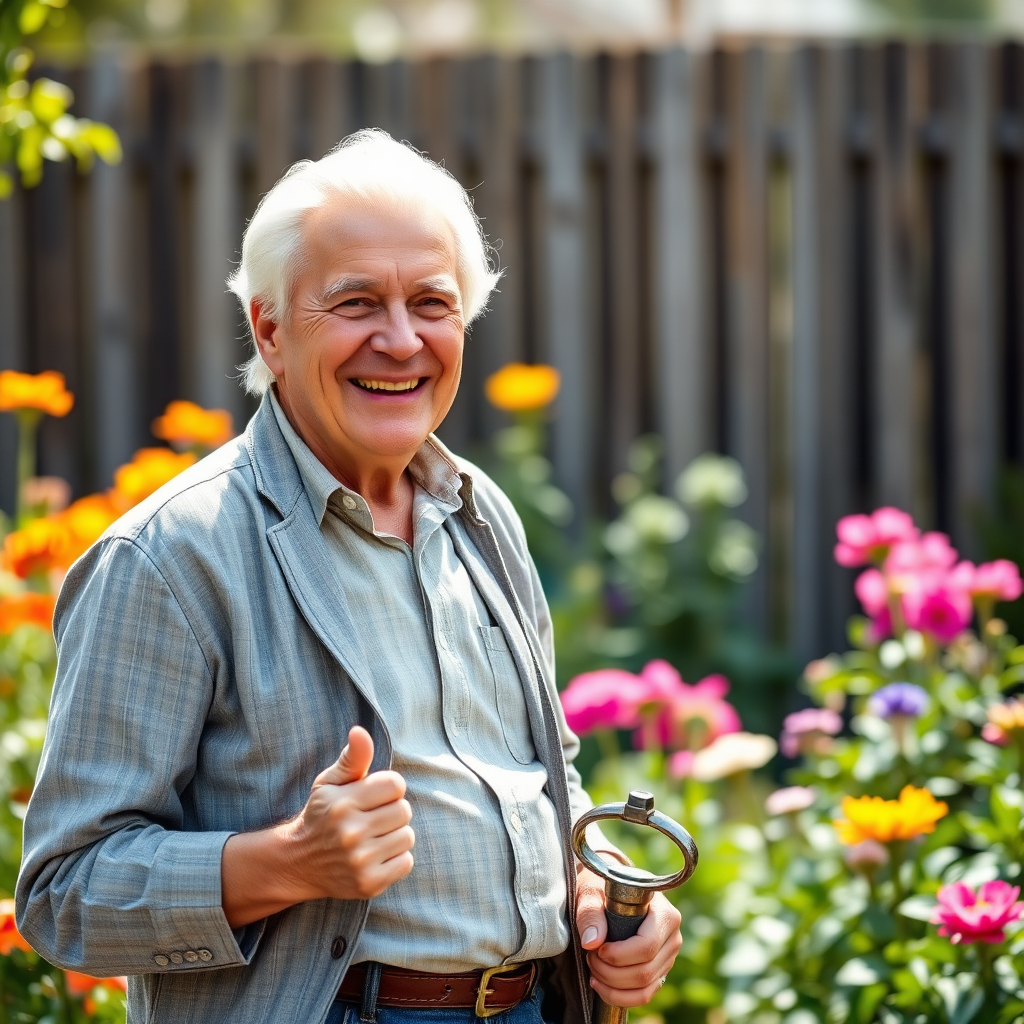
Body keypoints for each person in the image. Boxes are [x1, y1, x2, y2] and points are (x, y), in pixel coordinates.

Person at [16, 130, 681, 1024]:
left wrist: (597, 898)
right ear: (271, 329)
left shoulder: (483, 517)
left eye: (432, 303)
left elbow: (539, 775)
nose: (401, 340)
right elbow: (64, 894)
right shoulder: (171, 556)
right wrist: (288, 861)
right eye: (357, 302)